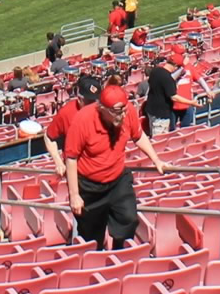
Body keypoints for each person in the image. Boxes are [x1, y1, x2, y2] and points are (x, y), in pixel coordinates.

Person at [62, 84, 167, 250]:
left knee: (129, 219)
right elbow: (71, 158)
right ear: (102, 108)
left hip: (117, 180)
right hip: (90, 186)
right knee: (91, 237)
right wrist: (74, 195)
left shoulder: (127, 112)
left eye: (124, 109)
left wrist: (156, 160)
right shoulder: (83, 120)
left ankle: (119, 254)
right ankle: (94, 267)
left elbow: (138, 136)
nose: (123, 114)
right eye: (118, 111)